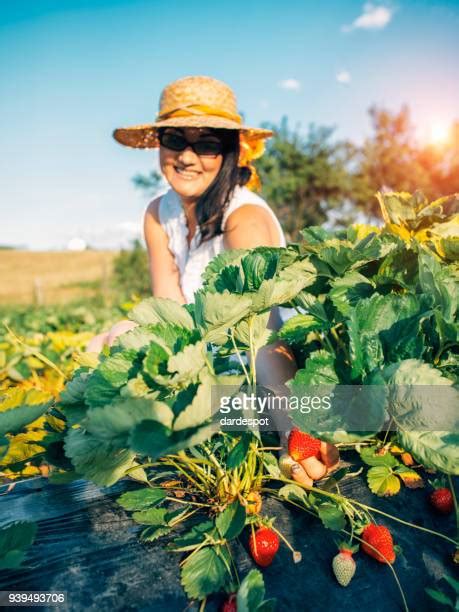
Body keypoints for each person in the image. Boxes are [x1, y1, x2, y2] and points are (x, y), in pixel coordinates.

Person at [87, 75, 339, 485]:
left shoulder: (244, 220)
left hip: (254, 366)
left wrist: (294, 426)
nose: (187, 156)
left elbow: (266, 337)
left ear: (230, 153)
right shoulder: (158, 214)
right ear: (159, 144)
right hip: (202, 362)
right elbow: (168, 315)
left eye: (206, 143)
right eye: (174, 139)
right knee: (109, 339)